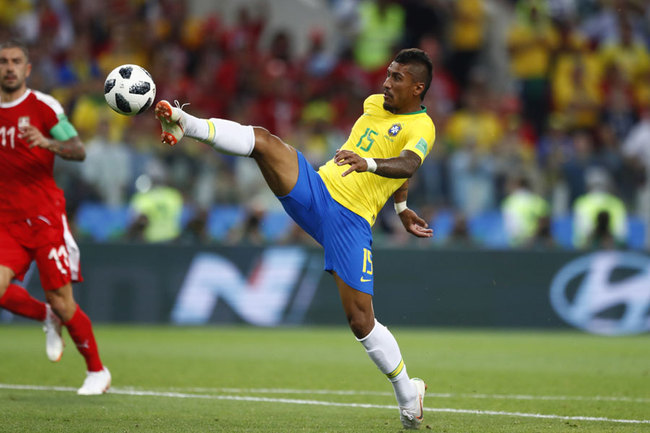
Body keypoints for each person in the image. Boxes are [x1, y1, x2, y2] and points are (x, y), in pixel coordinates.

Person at [156, 48, 434, 429]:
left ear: (418, 87)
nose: (386, 82)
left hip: (351, 222)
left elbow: (407, 164)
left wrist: (384, 189)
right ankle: (186, 122)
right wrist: (401, 209)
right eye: (388, 73)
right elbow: (397, 166)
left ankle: (408, 395)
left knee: (360, 320)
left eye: (397, 78)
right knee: (264, 142)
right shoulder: (374, 104)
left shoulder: (423, 127)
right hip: (318, 189)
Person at [0, 39, 110, 395]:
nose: (10, 67)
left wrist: (47, 143)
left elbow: (78, 151)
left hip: (45, 218)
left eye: (16, 61)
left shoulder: (43, 107)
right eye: (3, 61)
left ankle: (97, 371)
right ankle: (44, 316)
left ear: (27, 69)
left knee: (63, 302)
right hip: (6, 221)